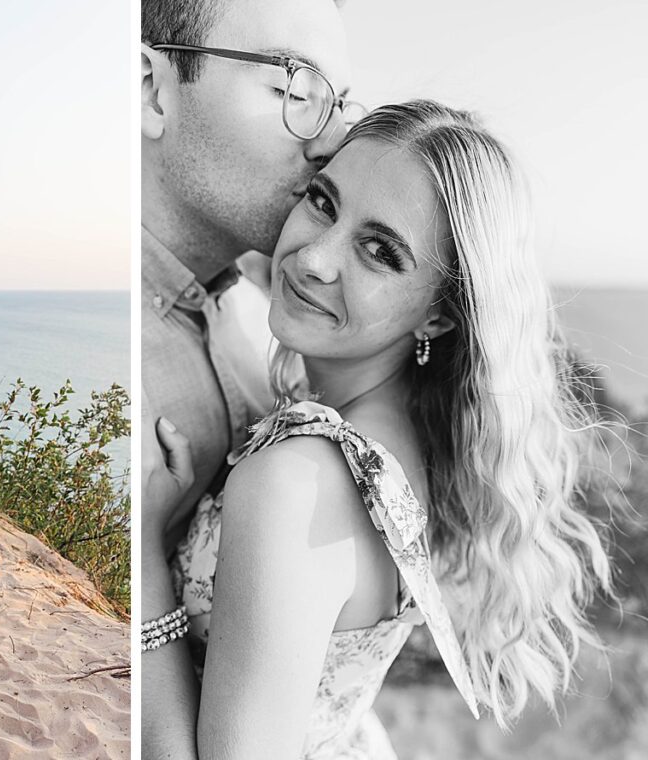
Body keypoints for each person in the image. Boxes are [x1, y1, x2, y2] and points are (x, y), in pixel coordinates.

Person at [142, 101, 615, 758]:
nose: (314, 259)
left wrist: (144, 561)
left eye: (379, 252)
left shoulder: (299, 482)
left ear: (438, 318)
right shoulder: (400, 444)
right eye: (322, 202)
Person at [140, 0, 354, 530]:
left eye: (339, 106)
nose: (332, 143)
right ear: (151, 91)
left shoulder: (272, 321)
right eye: (295, 92)